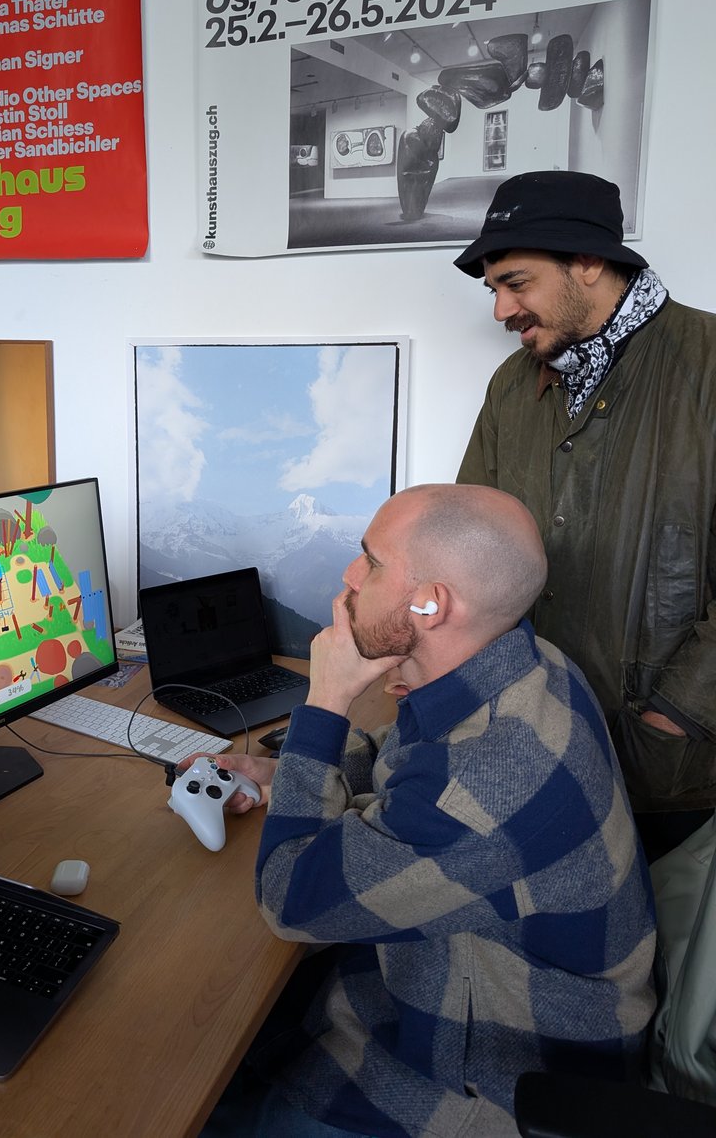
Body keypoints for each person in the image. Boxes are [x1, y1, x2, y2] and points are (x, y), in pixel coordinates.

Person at [196, 483, 655, 1138]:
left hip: (488, 1077)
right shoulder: (528, 665)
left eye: (371, 561)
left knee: (193, 1101)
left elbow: (290, 900)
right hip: (443, 991)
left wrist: (325, 702)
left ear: (430, 603)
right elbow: (414, 756)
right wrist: (292, 771)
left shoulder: (488, 781)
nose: (350, 576)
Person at [453, 170, 716, 859]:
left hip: (666, 775)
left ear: (589, 262)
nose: (501, 310)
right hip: (526, 751)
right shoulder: (511, 386)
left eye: (516, 283)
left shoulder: (710, 364)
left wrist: (671, 720)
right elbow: (469, 546)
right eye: (493, 289)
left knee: (660, 926)